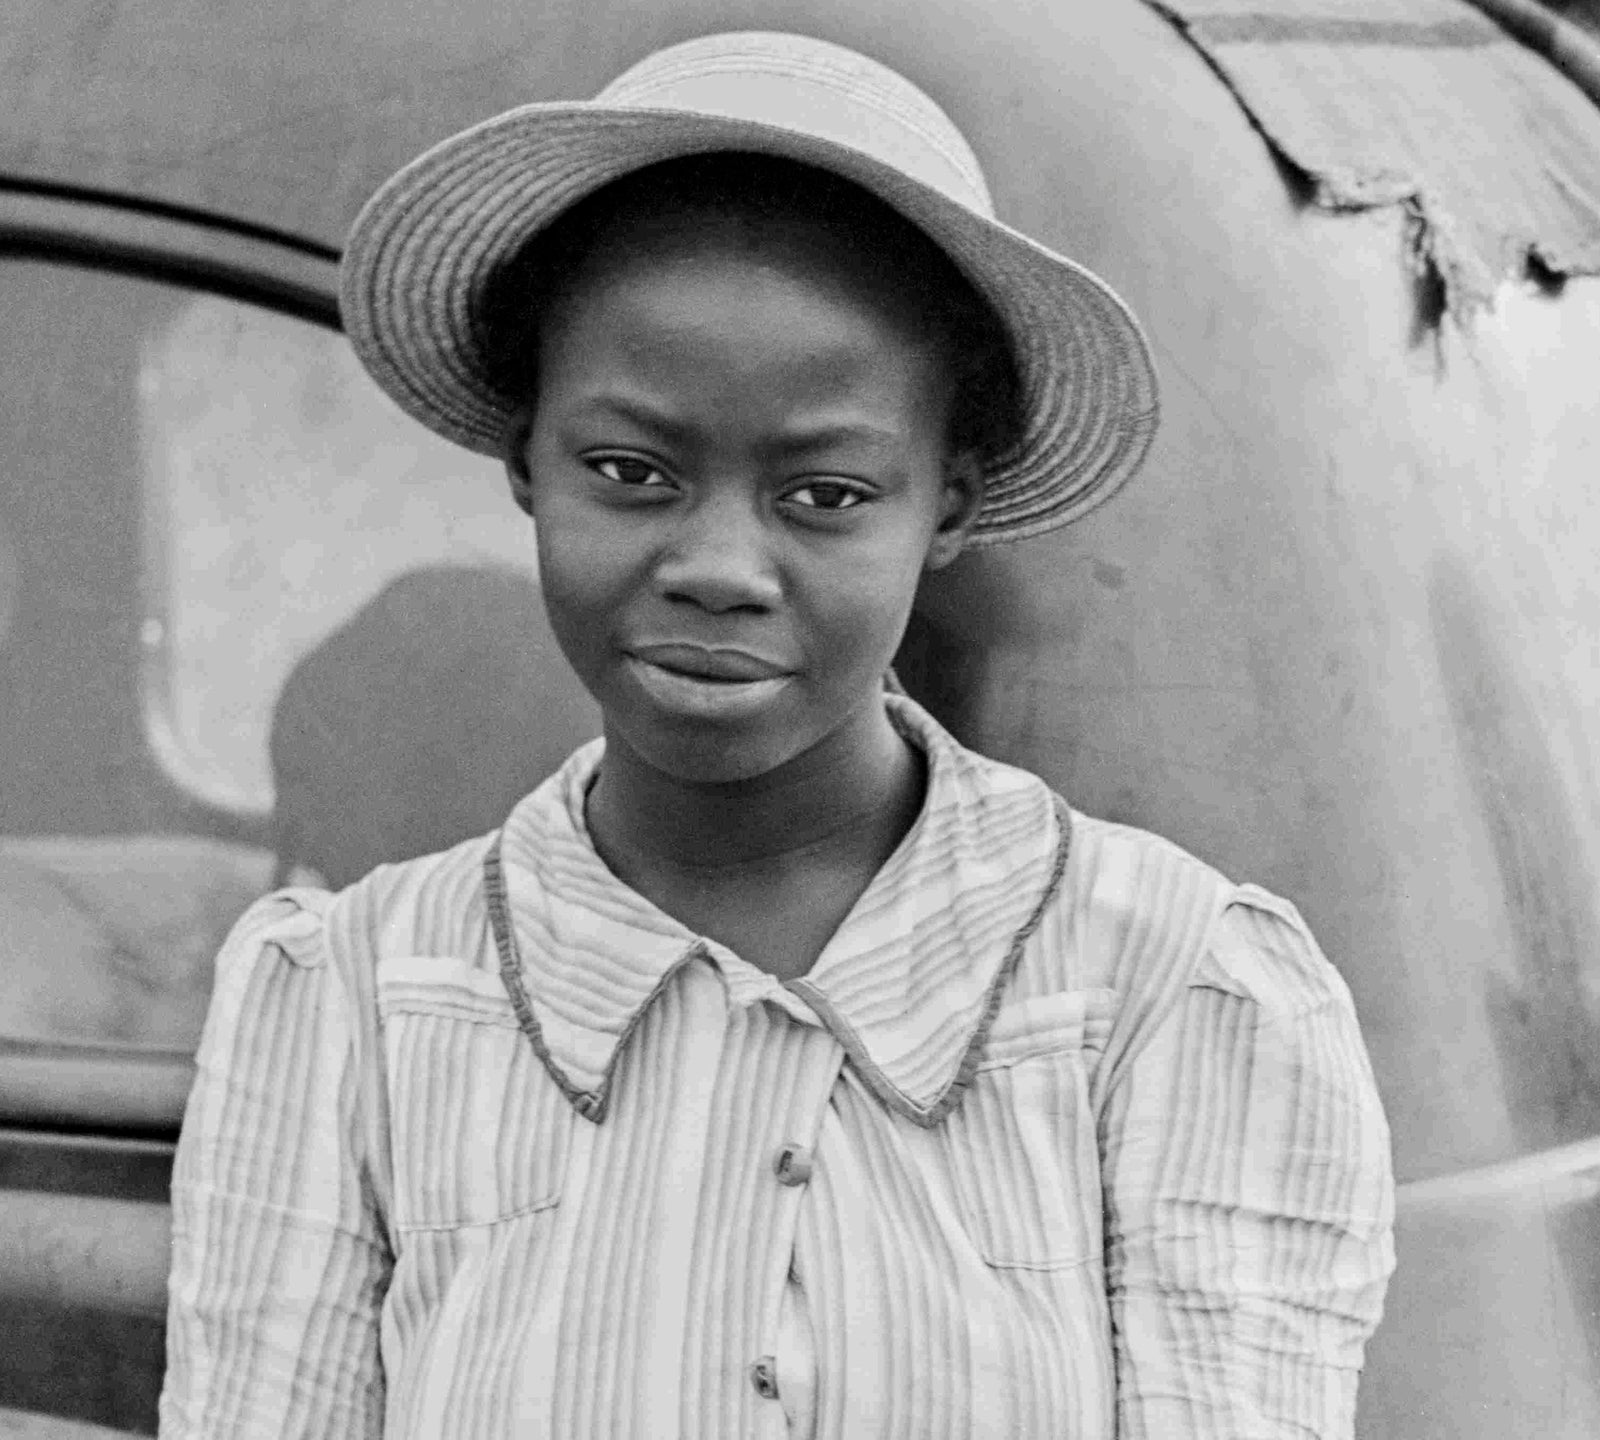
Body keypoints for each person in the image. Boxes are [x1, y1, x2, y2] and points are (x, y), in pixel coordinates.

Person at [159, 31, 1394, 1440]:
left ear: (948, 506)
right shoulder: (350, 1012)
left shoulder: (1171, 994)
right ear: (524, 463)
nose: (719, 567)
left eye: (827, 494)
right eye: (629, 470)